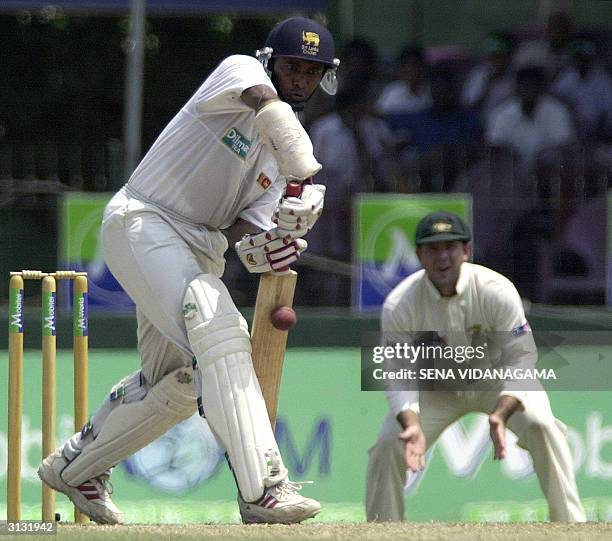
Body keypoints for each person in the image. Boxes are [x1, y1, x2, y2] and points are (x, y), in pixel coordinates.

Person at [37, 16, 340, 525]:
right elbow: (268, 108)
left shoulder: (278, 154)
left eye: (313, 72)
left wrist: (280, 238)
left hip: (200, 249)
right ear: (271, 62)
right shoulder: (240, 71)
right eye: (293, 67)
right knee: (219, 329)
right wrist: (303, 169)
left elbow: (247, 229)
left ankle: (76, 467)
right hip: (145, 222)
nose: (301, 80)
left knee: (177, 383)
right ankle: (263, 489)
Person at [365, 211, 586, 523]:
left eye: (450, 247)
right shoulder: (399, 305)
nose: (442, 257)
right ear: (419, 255)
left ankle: (571, 524)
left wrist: (501, 412)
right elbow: (398, 374)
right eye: (433, 249)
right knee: (390, 443)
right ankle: (382, 529)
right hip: (438, 388)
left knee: (541, 425)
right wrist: (411, 423)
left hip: (497, 384)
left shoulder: (496, 290)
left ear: (466, 251)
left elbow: (522, 358)